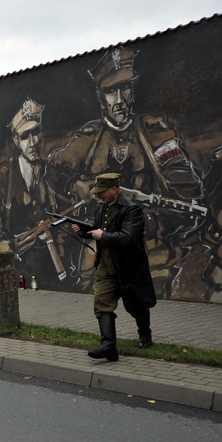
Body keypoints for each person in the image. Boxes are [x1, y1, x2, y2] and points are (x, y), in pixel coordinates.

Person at [48, 46, 203, 295]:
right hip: (98, 247)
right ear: (100, 96)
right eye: (110, 91)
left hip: (151, 248)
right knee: (99, 298)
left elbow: (187, 198)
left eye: (125, 88)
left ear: (133, 89)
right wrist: (75, 185)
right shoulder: (88, 138)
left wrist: (146, 224)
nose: (119, 100)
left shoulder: (156, 134)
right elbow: (54, 168)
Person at [0, 98, 72, 287]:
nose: (32, 142)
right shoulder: (1, 179)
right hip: (19, 268)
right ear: (15, 140)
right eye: (24, 136)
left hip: (54, 269)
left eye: (36, 132)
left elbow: (69, 206)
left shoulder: (54, 172)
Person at [72, 173, 157, 362]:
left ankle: (145, 334)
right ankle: (108, 347)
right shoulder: (101, 207)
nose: (98, 196)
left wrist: (103, 235)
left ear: (114, 190)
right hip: (105, 266)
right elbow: (99, 229)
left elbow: (128, 238)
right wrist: (85, 232)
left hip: (129, 267)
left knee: (137, 306)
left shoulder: (132, 210)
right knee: (101, 303)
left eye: (101, 192)